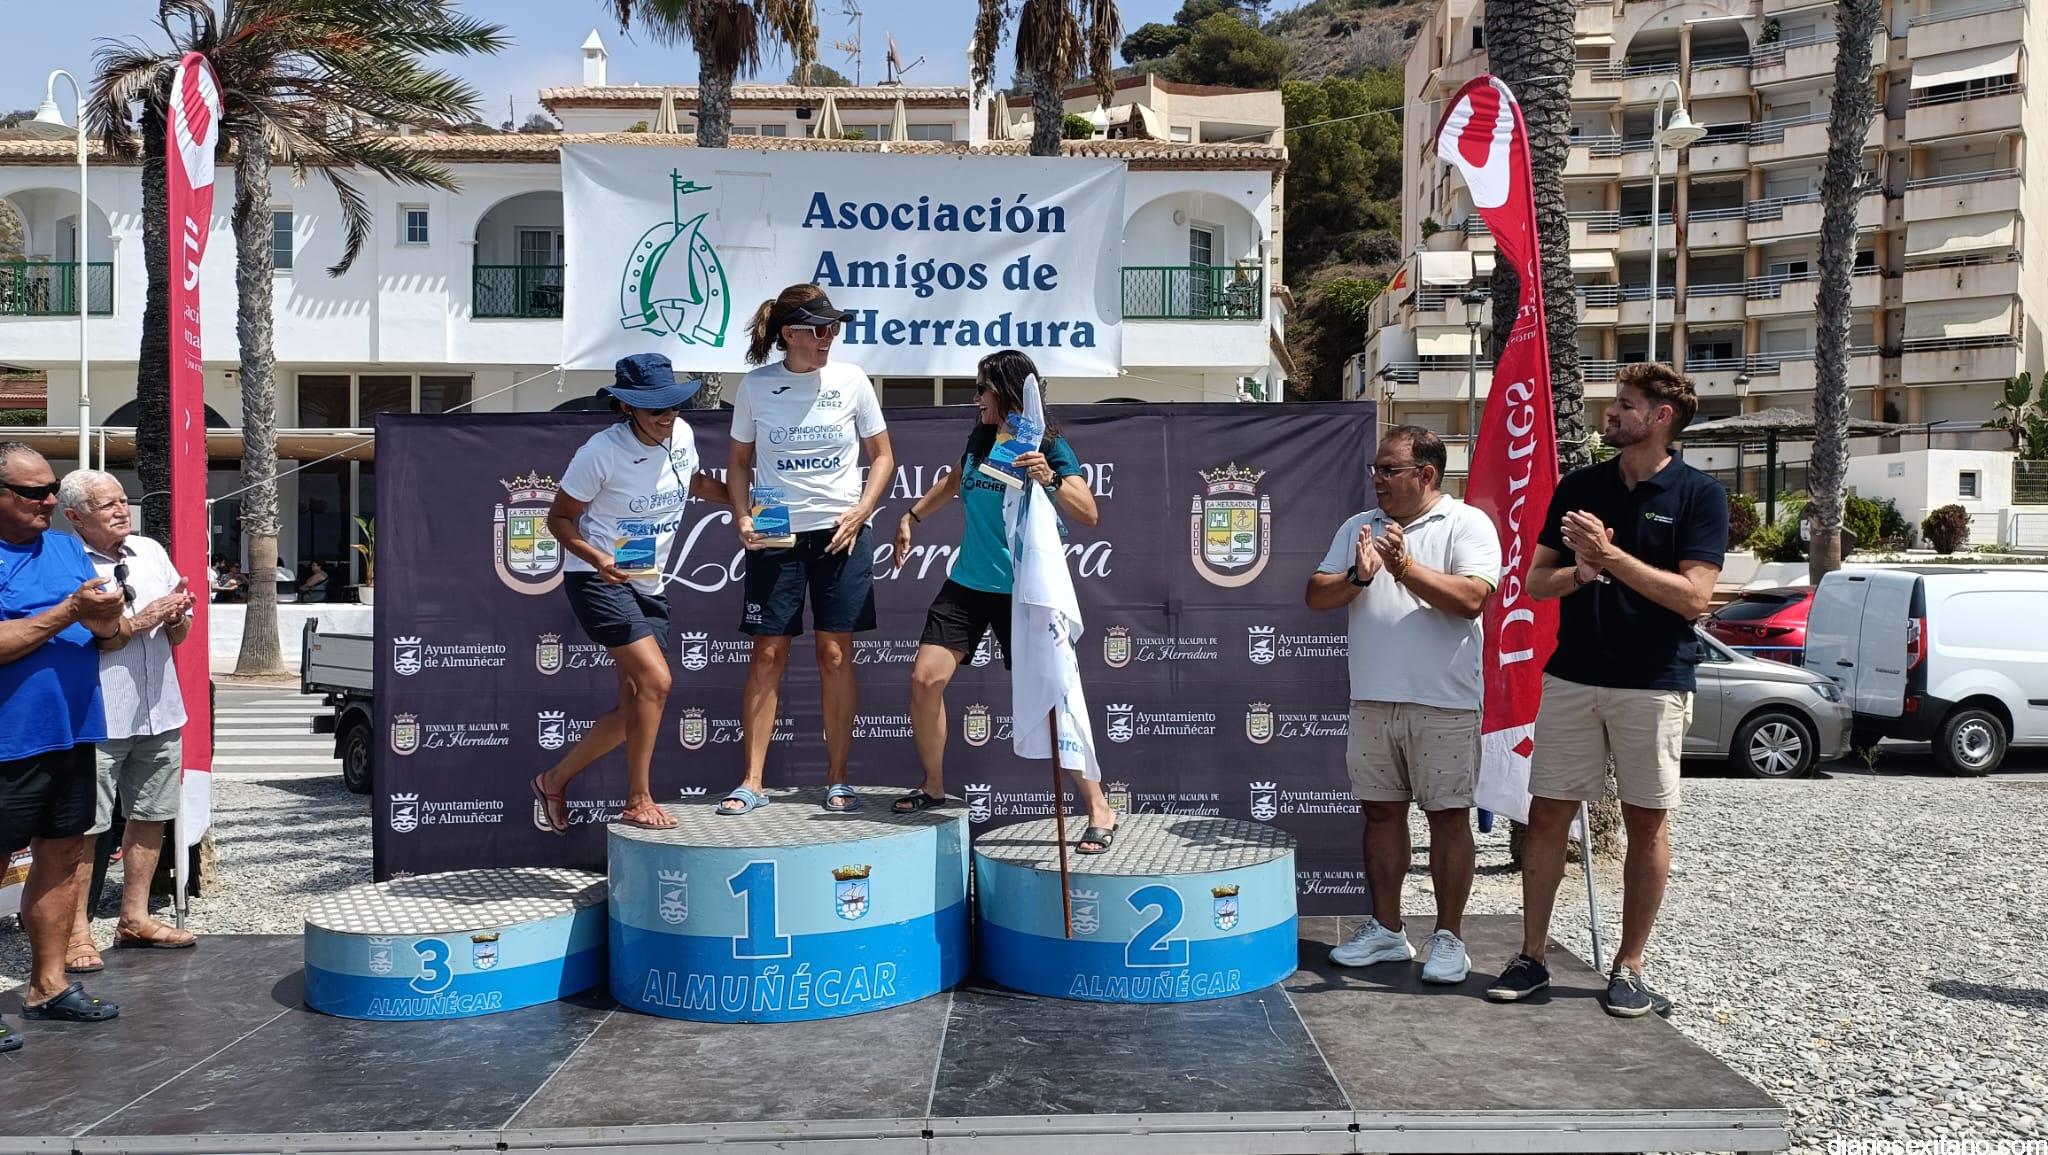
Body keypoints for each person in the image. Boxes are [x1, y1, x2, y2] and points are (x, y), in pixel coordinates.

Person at [1485, 363, 1728, 1018]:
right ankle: (1532, 956)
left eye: (1624, 404)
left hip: (1653, 683)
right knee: (1546, 816)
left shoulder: (1700, 494)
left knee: (1647, 821)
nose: (1610, 413)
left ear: (1661, 418)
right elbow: (1536, 582)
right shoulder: (1580, 487)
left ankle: (1630, 966)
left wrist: (1611, 557)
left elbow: (1695, 598)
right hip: (1572, 676)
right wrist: (1583, 573)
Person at [890, 350, 1117, 851]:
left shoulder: (1049, 444)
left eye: (982, 389)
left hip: (1025, 592)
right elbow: (955, 481)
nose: (975, 398)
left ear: (1009, 392)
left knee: (1056, 700)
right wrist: (911, 517)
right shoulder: (981, 438)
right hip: (969, 584)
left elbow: (1089, 512)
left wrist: (1049, 477)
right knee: (925, 679)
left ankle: (1099, 806)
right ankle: (933, 785)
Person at [1306, 427, 1501, 984]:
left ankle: (1449, 939)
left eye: (1389, 470)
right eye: (1375, 469)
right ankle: (1388, 931)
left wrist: (1406, 569)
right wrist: (1357, 575)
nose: (1377, 479)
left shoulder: (1467, 523)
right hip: (1372, 698)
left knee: (1447, 818)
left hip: (1444, 702)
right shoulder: (1358, 526)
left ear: (1427, 475)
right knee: (1381, 814)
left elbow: (1471, 599)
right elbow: (1316, 594)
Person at [531, 354, 731, 832]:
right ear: (626, 407)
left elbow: (695, 483)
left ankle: (553, 780)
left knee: (636, 704)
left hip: (649, 582)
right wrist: (599, 558)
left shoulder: (682, 435)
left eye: (673, 405)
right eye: (655, 408)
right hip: (597, 579)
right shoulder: (599, 452)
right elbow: (558, 518)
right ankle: (638, 800)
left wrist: (748, 500)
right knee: (657, 683)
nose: (667, 415)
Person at [720, 284, 894, 815]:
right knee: (768, 654)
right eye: (820, 329)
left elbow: (883, 457)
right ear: (789, 333)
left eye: (834, 328)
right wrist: (742, 515)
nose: (829, 337)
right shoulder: (756, 386)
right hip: (777, 532)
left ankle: (838, 778)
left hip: (841, 532)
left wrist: (862, 511)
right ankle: (752, 782)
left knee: (834, 655)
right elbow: (739, 463)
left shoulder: (852, 379)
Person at [0, 443, 128, 1049]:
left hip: (72, 731)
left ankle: (47, 987)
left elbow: (106, 636)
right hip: (8, 741)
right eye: (33, 492)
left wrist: (107, 617)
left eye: (51, 489)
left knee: (63, 856)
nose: (49, 501)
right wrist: (71, 610)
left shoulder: (64, 547)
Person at [59, 470, 200, 968]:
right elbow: (75, 635)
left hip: (159, 709)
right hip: (98, 715)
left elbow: (179, 635)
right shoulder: (64, 560)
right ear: (75, 516)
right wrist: (141, 620)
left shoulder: (149, 551)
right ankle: (75, 933)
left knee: (151, 814)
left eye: (123, 500)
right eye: (107, 505)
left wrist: (176, 615)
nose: (122, 510)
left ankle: (134, 918)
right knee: (86, 827)